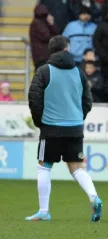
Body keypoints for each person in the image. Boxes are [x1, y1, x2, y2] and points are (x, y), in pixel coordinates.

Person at [26, 35, 102, 222]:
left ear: (50, 50)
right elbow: (87, 101)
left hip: (51, 128)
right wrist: (78, 118)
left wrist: (40, 122)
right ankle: (94, 197)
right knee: (77, 168)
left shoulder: (44, 71)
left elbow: (34, 100)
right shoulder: (79, 72)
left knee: (44, 167)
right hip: (75, 128)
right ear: (67, 49)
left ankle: (44, 211)